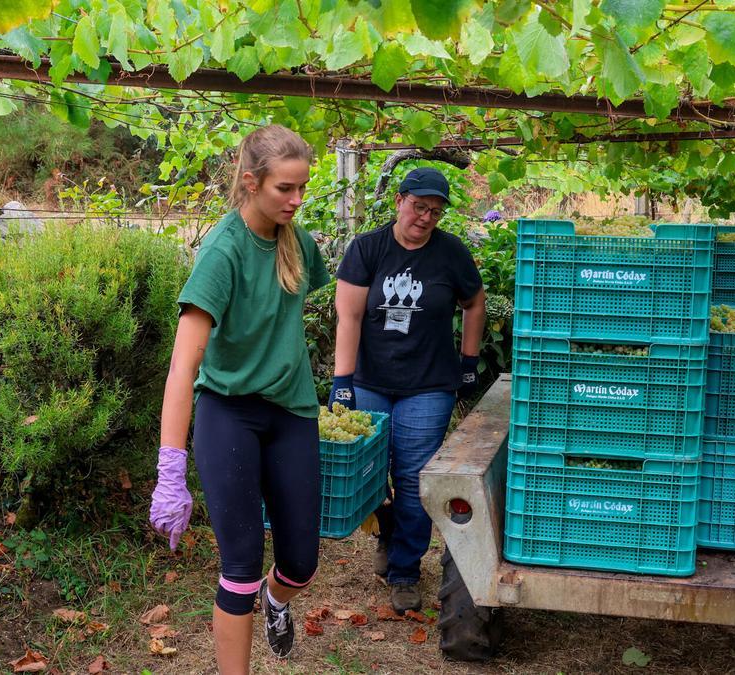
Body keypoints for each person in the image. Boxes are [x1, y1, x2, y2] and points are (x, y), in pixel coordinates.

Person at [149, 124, 331, 673]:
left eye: (303, 188)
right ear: (251, 182)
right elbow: (183, 366)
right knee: (241, 568)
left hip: (292, 412)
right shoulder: (223, 251)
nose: (297, 200)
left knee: (301, 563)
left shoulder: (297, 241)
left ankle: (278, 601)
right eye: (285, 189)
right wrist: (170, 467)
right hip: (229, 413)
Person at [331, 166, 486, 612]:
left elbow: (474, 302)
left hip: (429, 385)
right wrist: (342, 383)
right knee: (368, 475)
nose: (425, 217)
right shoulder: (367, 248)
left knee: (414, 479)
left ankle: (405, 571)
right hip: (370, 381)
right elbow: (350, 317)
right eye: (419, 206)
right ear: (399, 200)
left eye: (435, 211)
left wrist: (469, 361)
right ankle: (386, 528)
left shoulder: (450, 253)